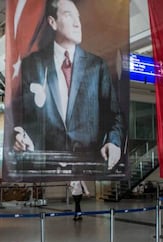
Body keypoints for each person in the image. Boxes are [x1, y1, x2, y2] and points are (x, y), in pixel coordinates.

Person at [11, 0, 124, 171]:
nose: (77, 23)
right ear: (52, 22)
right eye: (68, 15)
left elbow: (115, 115)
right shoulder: (32, 65)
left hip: (88, 165)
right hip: (45, 167)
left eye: (78, 17)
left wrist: (113, 142)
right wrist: (20, 135)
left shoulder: (97, 66)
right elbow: (23, 116)